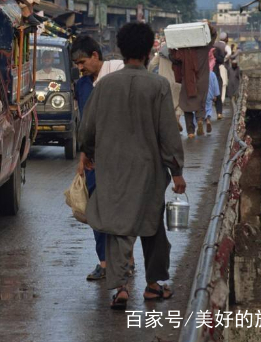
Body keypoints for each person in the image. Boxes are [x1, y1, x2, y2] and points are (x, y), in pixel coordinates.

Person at [79, 22, 186, 310]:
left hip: (111, 170)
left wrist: (88, 153)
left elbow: (87, 128)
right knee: (152, 228)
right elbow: (168, 134)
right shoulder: (158, 86)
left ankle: (121, 288)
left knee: (117, 229)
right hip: (150, 172)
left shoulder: (104, 86)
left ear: (120, 50)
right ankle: (153, 286)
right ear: (150, 49)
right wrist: (176, 171)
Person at [71, 35, 128, 281]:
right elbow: (84, 125)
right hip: (93, 160)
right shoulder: (82, 86)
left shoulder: (117, 80)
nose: (80, 68)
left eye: (83, 62)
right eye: (77, 64)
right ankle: (104, 263)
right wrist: (82, 156)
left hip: (119, 158)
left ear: (95, 56)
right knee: (96, 211)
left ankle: (127, 260)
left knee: (121, 211)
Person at [170, 24, 215, 138]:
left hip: (188, 80)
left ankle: (190, 131)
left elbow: (173, 57)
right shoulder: (204, 48)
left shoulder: (184, 51)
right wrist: (208, 27)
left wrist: (173, 43)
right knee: (201, 102)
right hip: (203, 80)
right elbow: (214, 35)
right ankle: (200, 119)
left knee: (186, 104)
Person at [149, 43, 184, 131]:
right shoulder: (181, 52)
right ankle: (177, 117)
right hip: (178, 81)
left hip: (163, 82)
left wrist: (148, 73)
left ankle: (166, 124)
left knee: (165, 103)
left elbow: (152, 64)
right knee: (180, 101)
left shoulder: (161, 53)